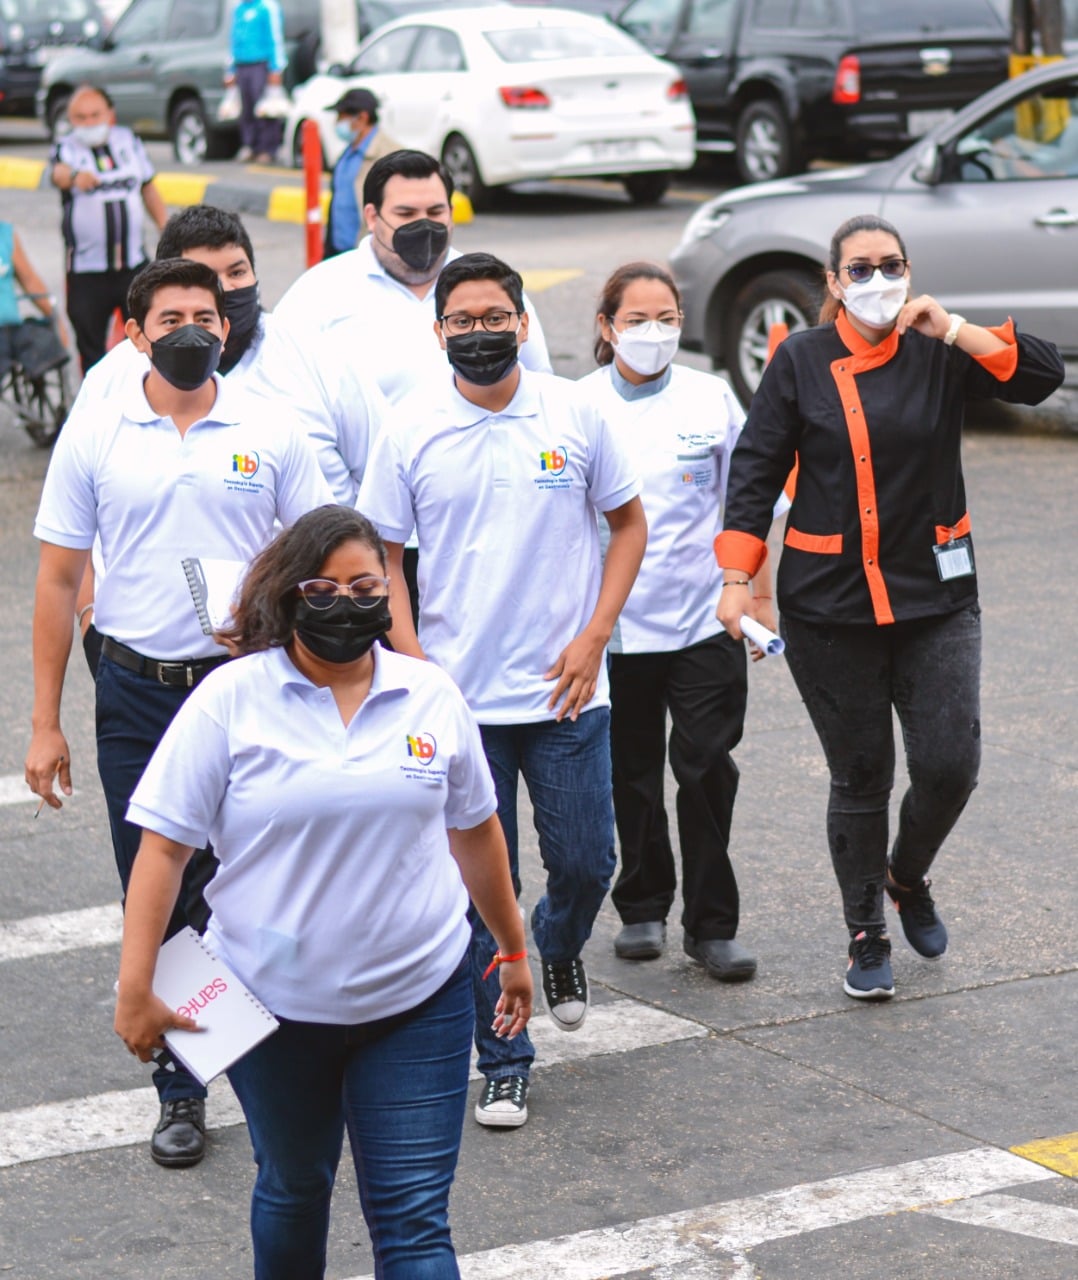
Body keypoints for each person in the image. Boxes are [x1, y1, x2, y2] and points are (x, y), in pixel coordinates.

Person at [114, 505, 532, 1278]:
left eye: (365, 586)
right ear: (288, 594)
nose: (347, 603)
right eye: (324, 586)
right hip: (274, 1009)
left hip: (418, 999)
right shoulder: (230, 699)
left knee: (413, 1223)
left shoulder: (430, 697)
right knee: (296, 1187)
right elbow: (164, 848)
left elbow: (475, 831)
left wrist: (512, 946)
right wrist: (135, 985)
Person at [26, 258, 332, 1167]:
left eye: (207, 313)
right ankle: (182, 1085)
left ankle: (284, 1056)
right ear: (135, 331)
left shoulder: (272, 430)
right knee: (155, 889)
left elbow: (320, 562)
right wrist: (45, 719)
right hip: (133, 693)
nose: (192, 328)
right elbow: (55, 577)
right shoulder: (100, 429)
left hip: (243, 690)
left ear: (226, 329)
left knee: (253, 878)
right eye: (172, 317)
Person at [715, 213, 1064, 1001]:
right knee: (862, 773)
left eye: (892, 264)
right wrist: (739, 578)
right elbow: (756, 472)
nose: (879, 281)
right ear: (833, 283)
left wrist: (961, 328)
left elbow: (1040, 378)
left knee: (950, 764)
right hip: (828, 604)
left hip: (935, 594)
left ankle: (907, 875)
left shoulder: (938, 350)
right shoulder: (799, 360)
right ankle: (865, 928)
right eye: (860, 269)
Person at [358, 252, 647, 1128]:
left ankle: (555, 948)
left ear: (524, 324)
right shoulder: (409, 429)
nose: (479, 334)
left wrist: (595, 636)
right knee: (484, 893)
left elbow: (628, 524)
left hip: (566, 693)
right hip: (460, 704)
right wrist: (413, 663)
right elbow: (383, 562)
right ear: (437, 329)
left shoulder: (575, 413)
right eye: (462, 320)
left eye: (495, 318)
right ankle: (506, 1060)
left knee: (589, 861)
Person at [578, 262, 785, 980]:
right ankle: (641, 906)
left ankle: (712, 925)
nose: (654, 332)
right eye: (636, 319)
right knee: (628, 773)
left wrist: (756, 599)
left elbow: (751, 505)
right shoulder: (575, 408)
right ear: (606, 328)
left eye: (666, 318)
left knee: (704, 770)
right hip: (614, 628)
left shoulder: (711, 396)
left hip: (705, 617)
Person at [69, 205, 385, 675]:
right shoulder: (109, 382)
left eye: (238, 272)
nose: (228, 288)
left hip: (292, 650)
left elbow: (379, 484)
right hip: (143, 661)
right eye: (208, 276)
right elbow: (73, 530)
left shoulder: (318, 360)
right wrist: (89, 620)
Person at [50, 84, 168, 374]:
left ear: (109, 114)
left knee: (150, 341)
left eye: (95, 115)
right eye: (81, 117)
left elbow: (148, 189)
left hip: (133, 266)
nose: (89, 123)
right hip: (86, 272)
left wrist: (168, 234)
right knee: (92, 353)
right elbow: (57, 174)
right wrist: (75, 175)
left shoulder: (129, 141)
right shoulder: (66, 148)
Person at [324, 89, 400, 258]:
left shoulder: (389, 155)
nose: (337, 123)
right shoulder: (346, 154)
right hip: (339, 251)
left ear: (362, 118)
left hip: (369, 253)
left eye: (341, 117)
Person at [225, 0, 287, 164]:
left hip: (261, 64)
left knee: (264, 109)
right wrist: (230, 70)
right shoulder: (239, 9)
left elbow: (275, 38)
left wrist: (276, 68)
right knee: (246, 108)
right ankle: (249, 145)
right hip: (242, 65)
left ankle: (267, 148)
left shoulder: (267, 7)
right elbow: (234, 40)